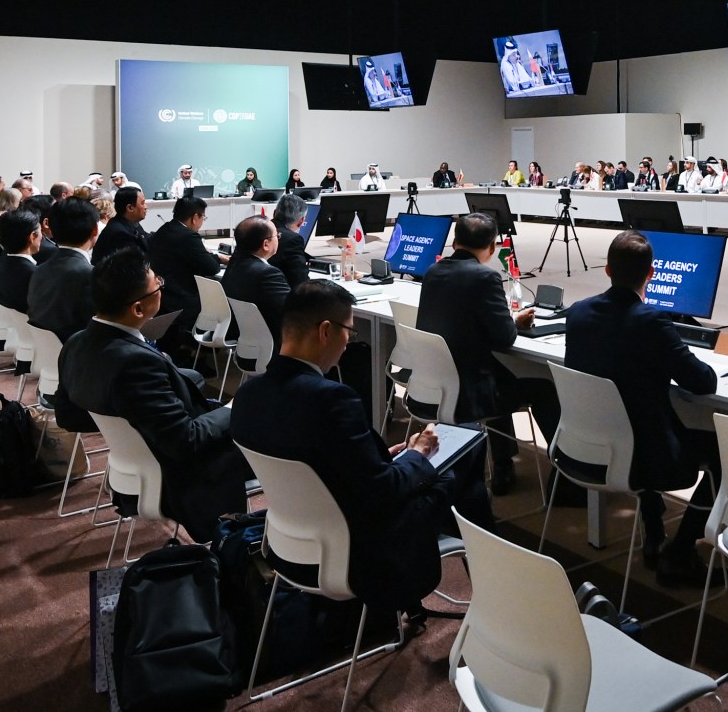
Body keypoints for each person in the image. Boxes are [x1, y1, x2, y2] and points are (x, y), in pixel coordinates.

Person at [231, 280, 486, 620]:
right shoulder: (332, 400)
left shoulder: (248, 395)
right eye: (348, 331)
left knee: (439, 463)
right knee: (461, 454)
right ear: (326, 331)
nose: (349, 342)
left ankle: (484, 570)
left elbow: (326, 462)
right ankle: (489, 580)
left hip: (288, 545)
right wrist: (417, 455)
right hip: (362, 551)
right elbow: (384, 490)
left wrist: (385, 457)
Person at [55, 250, 252, 541]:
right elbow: (187, 441)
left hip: (133, 462)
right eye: (157, 285)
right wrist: (234, 408)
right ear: (137, 309)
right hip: (176, 475)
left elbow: (68, 414)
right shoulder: (135, 364)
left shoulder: (75, 343)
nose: (161, 286)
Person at [564, 231, 721, 585]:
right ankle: (680, 551)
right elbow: (703, 383)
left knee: (639, 420)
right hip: (641, 456)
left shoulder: (578, 313)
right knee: (724, 453)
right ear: (651, 274)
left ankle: (654, 530)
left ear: (606, 270)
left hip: (591, 445)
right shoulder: (651, 321)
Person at [415, 213, 562, 495]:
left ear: (455, 241)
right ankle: (565, 477)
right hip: (468, 392)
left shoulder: (433, 271)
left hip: (435, 383)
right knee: (542, 387)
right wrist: (514, 321)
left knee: (501, 375)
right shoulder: (485, 277)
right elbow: (504, 337)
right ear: (492, 247)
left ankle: (505, 464)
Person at [148, 195, 224, 346]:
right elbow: (211, 267)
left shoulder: (165, 228)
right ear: (195, 217)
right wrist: (217, 258)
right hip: (181, 296)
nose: (202, 222)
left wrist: (211, 256)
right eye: (203, 217)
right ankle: (199, 351)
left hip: (163, 292)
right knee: (218, 301)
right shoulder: (188, 237)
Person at [27, 197, 100, 343]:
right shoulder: (90, 275)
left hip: (43, 353)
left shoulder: (39, 269)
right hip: (77, 356)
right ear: (95, 230)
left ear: (50, 229)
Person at [223, 216, 292, 344]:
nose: (278, 239)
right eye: (277, 235)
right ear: (266, 244)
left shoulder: (235, 263)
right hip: (270, 344)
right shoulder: (268, 274)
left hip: (243, 338)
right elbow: (291, 312)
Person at [0, 209, 42, 314]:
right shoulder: (37, 275)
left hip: (10, 327)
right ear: (32, 236)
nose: (42, 237)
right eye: (41, 233)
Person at [91, 184, 150, 265]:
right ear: (130, 208)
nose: (146, 207)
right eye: (143, 203)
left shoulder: (130, 223)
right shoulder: (119, 233)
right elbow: (134, 264)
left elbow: (146, 239)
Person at [268, 193, 310, 284]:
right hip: (277, 294)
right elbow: (300, 280)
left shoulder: (255, 228)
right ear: (301, 221)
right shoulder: (293, 239)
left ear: (274, 213)